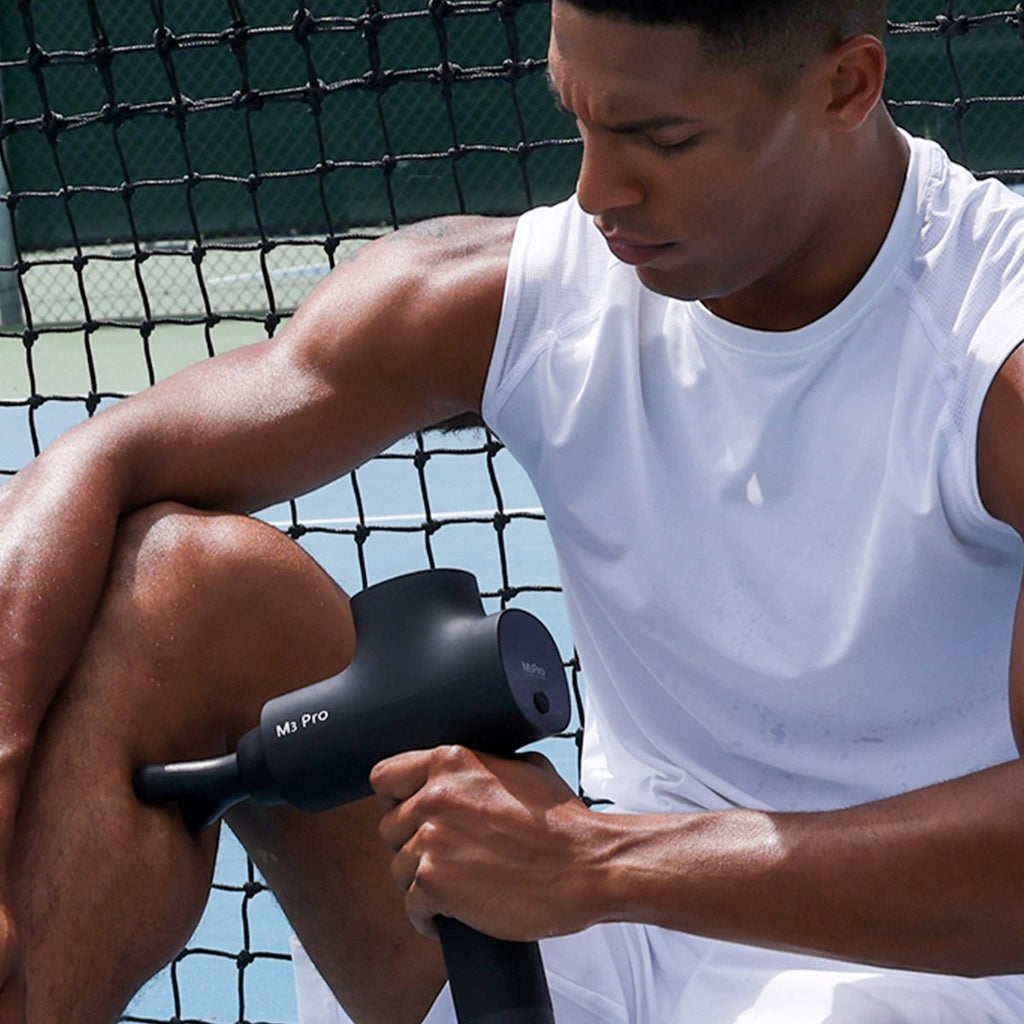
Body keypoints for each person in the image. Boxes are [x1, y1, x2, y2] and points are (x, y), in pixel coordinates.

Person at [3, 0, 1024, 1021]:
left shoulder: (994, 347)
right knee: (178, 588)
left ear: (844, 86)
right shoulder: (528, 290)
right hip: (597, 920)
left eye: (660, 139)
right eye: (579, 119)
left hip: (931, 967)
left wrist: (594, 860)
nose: (597, 192)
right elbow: (104, 458)